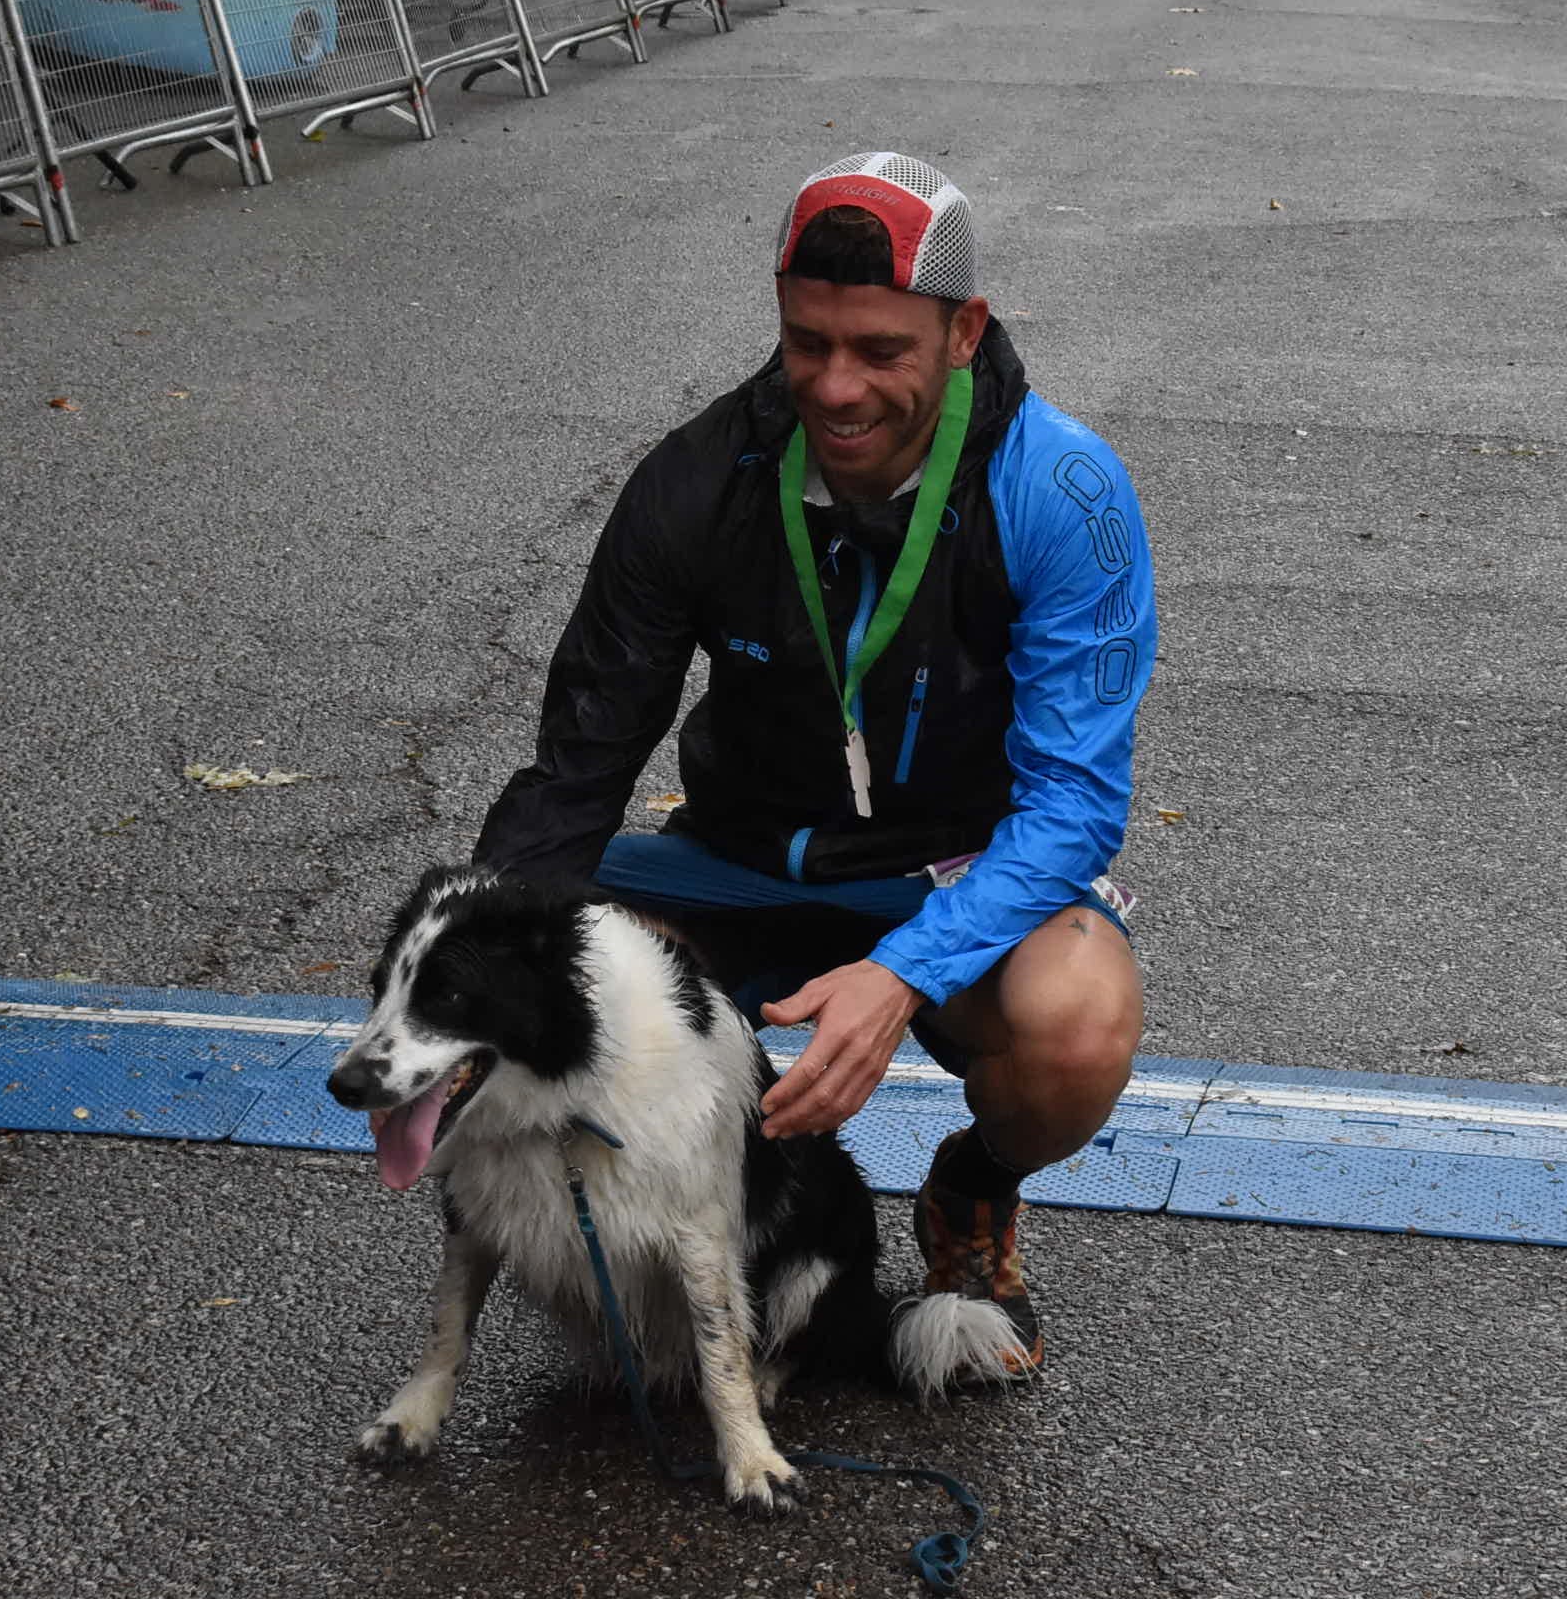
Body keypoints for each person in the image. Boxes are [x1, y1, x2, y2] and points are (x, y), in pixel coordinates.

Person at [472, 152, 1158, 1378]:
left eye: (880, 349)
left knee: (1078, 1024)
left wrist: (901, 974)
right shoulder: (697, 479)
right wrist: (478, 986)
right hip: (736, 857)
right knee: (530, 948)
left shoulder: (1063, 490)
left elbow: (1072, 810)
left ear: (965, 331)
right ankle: (681, 1234)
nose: (835, 387)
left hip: (954, 874)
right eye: (806, 342)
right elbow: (576, 769)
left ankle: (971, 1189)